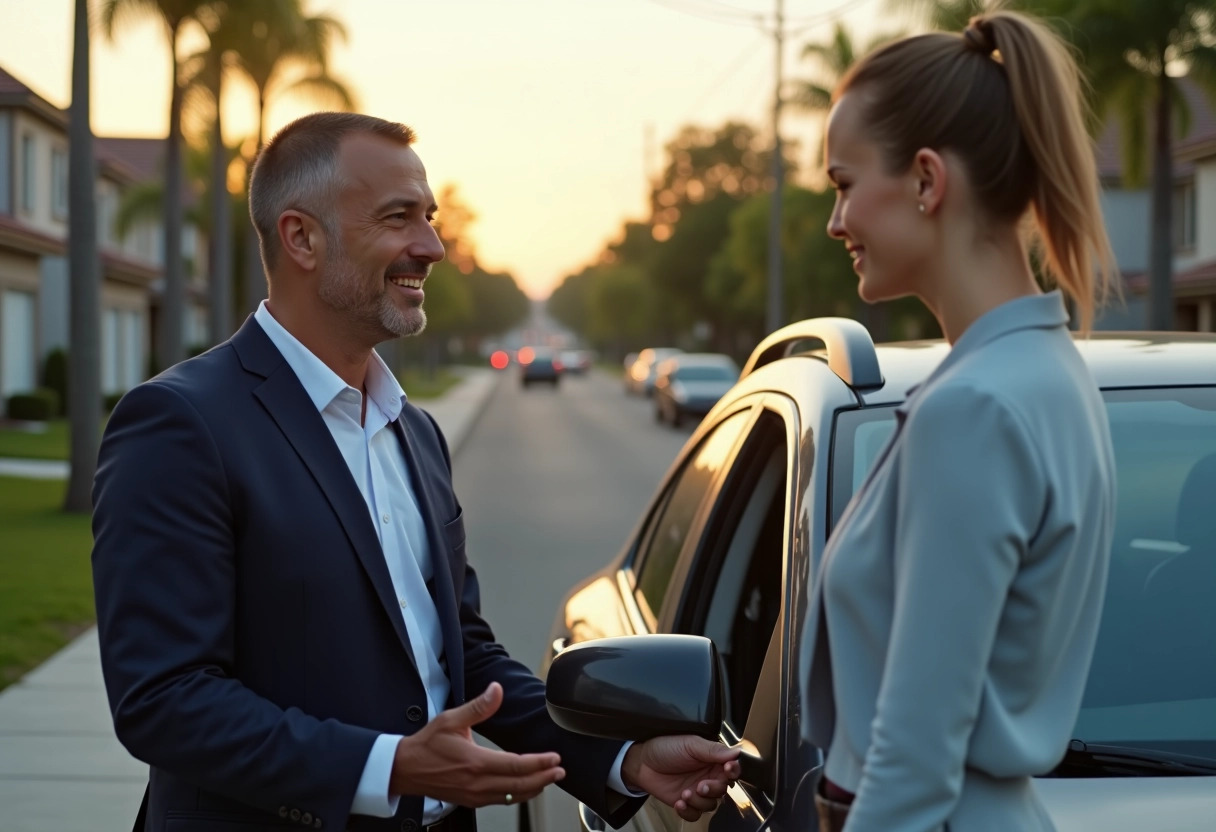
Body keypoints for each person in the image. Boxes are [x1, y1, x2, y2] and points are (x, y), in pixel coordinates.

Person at [91, 112, 739, 832]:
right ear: (301, 237)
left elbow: (457, 650)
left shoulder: (415, 430)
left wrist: (621, 759)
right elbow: (164, 699)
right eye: (399, 218)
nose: (431, 246)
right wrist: (387, 767)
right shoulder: (180, 425)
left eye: (429, 218)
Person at [798, 10, 1117, 832]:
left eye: (843, 184)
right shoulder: (1048, 370)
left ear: (927, 181)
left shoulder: (973, 407)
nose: (835, 224)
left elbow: (912, 762)